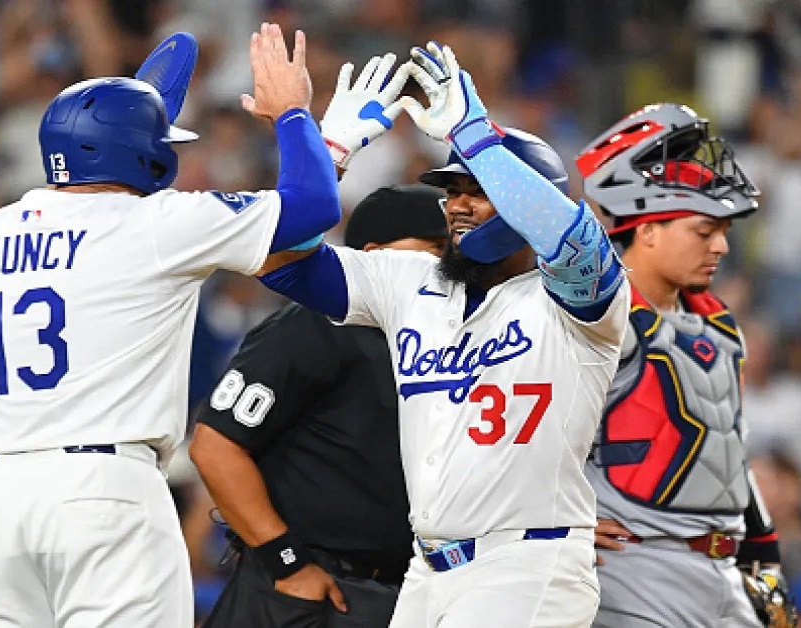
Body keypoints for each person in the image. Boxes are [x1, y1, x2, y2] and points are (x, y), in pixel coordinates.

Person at [0, 23, 342, 627]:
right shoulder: (158, 224)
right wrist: (294, 115)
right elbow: (313, 207)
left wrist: (131, 114)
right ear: (146, 154)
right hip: (102, 491)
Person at [257, 43, 630, 628]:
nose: (455, 204)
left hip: (526, 564)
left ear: (524, 196)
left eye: (475, 190)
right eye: (451, 191)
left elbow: (571, 238)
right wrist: (322, 153)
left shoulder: (577, 303)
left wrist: (479, 137)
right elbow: (278, 261)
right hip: (427, 571)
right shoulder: (412, 282)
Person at [190, 184, 449, 628]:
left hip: (407, 591)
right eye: (434, 248)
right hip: (306, 589)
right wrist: (287, 562)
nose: (448, 263)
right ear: (374, 254)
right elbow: (215, 446)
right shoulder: (314, 324)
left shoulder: (451, 338)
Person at [575, 103, 794, 628]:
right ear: (647, 229)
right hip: (634, 565)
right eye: (703, 231)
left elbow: (726, 447)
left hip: (723, 566)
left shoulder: (715, 319)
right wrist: (554, 521)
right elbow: (527, 431)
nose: (721, 245)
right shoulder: (598, 318)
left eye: (723, 231)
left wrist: (764, 554)